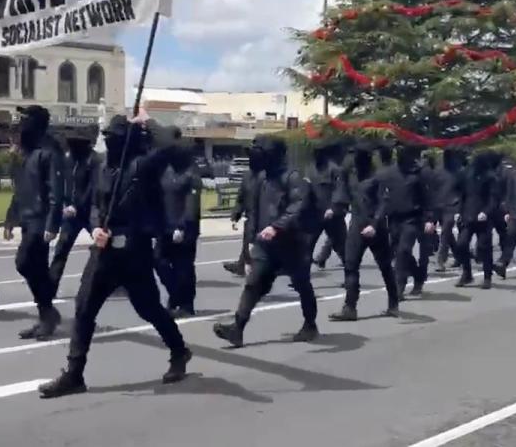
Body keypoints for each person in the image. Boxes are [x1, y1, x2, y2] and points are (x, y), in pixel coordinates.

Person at [38, 115, 191, 399]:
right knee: (84, 307)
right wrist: (96, 227)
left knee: (148, 308)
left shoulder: (144, 165)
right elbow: (95, 203)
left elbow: (175, 148)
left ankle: (179, 350)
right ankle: (74, 374)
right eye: (106, 136)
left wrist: (150, 123)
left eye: (115, 137)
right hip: (104, 250)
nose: (109, 141)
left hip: (135, 251)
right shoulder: (101, 166)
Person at [213, 135, 319, 347]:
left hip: (292, 243)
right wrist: (252, 240)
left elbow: (298, 205)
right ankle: (237, 329)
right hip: (266, 244)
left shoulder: (293, 177)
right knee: (253, 284)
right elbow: (255, 210)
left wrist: (277, 226)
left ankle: (310, 325)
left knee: (301, 284)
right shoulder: (261, 179)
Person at [4, 106, 64, 340]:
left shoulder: (48, 151)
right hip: (28, 218)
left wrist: (52, 224)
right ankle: (46, 314)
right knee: (36, 267)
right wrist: (10, 218)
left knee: (25, 262)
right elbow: (20, 189)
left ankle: (47, 311)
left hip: (41, 219)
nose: (20, 125)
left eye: (25, 120)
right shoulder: (26, 152)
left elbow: (55, 192)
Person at [329, 139, 399, 321]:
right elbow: (341, 196)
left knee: (385, 266)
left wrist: (374, 225)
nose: (356, 160)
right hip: (356, 224)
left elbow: (384, 202)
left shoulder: (378, 177)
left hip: (376, 227)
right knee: (350, 265)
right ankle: (350, 307)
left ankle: (393, 303)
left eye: (359, 157)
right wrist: (333, 209)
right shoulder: (351, 176)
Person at [382, 143, 437, 299]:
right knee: (398, 251)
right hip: (393, 219)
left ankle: (399, 287)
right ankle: (418, 275)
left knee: (403, 251)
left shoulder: (420, 172)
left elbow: (428, 197)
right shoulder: (390, 172)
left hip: (412, 218)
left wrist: (429, 219)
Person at [49, 132, 99, 291]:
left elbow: (93, 189)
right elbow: (64, 185)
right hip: (71, 215)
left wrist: (77, 206)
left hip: (91, 213)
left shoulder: (94, 161)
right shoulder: (68, 160)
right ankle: (51, 287)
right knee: (61, 250)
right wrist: (65, 204)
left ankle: (114, 281)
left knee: (104, 248)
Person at [159, 143, 203, 318]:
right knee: (159, 261)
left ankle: (186, 304)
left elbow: (192, 204)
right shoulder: (166, 172)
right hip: (165, 226)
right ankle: (175, 294)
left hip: (185, 229)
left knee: (183, 266)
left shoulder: (192, 174)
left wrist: (182, 226)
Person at [454, 152, 505, 289]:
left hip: (483, 218)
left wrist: (486, 212)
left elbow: (493, 199)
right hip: (468, 216)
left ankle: (487, 277)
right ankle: (467, 273)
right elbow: (462, 196)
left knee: (484, 248)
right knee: (461, 244)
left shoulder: (490, 177)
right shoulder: (467, 176)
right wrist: (458, 212)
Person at [306, 139, 349, 271]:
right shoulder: (310, 169)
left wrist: (333, 208)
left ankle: (350, 274)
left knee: (341, 246)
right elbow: (306, 189)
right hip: (315, 213)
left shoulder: (335, 170)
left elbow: (339, 190)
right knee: (307, 244)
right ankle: (301, 277)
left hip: (332, 214)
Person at [224, 149, 262, 277]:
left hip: (265, 219)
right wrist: (235, 216)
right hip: (251, 218)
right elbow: (241, 199)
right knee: (248, 244)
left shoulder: (267, 177)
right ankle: (242, 266)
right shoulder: (247, 176)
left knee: (259, 249)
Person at [436, 148, 465, 272]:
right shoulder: (439, 172)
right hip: (441, 206)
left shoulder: (459, 173)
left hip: (453, 206)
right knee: (448, 235)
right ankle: (459, 257)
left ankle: (441, 260)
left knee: (445, 232)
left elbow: (463, 191)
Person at [418, 152, 442, 273]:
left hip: (429, 205)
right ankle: (436, 250)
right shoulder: (434, 172)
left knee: (428, 231)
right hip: (436, 204)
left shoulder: (423, 172)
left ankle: (436, 255)